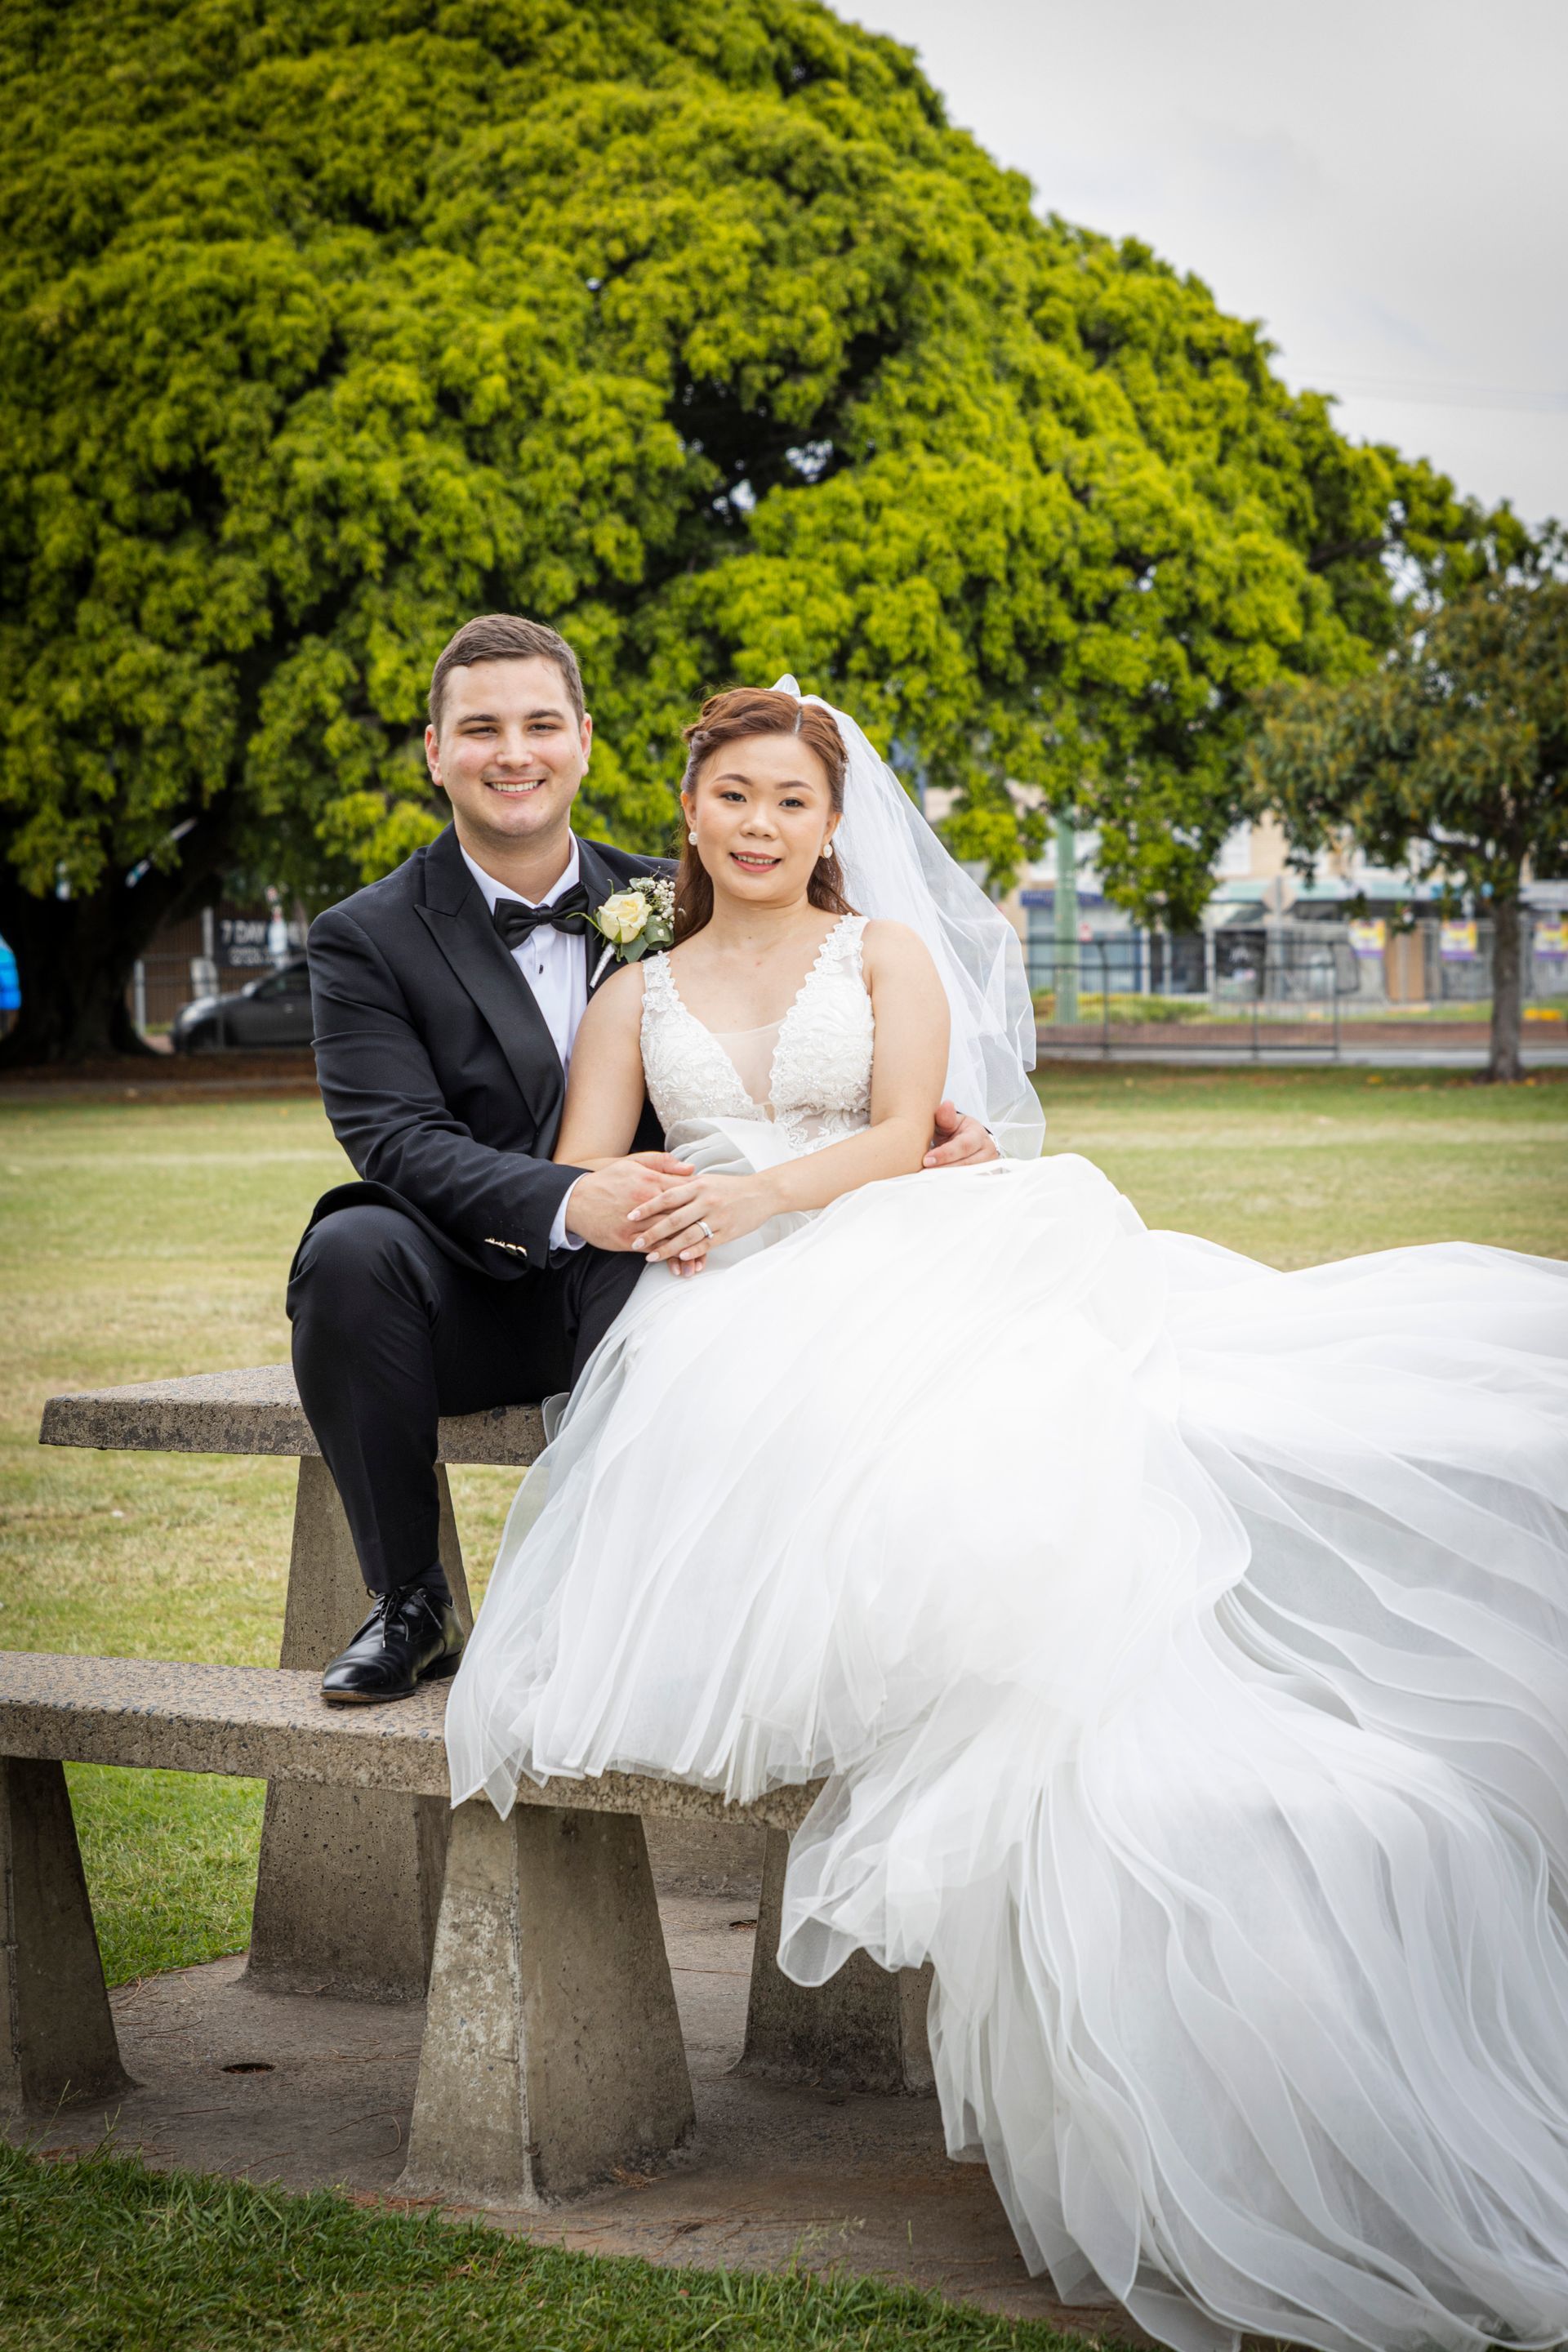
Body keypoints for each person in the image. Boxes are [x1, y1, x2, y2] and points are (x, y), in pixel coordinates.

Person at [448, 679, 1568, 2352]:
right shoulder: (630, 993)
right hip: (720, 1309)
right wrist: (659, 1210)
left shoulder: (883, 957)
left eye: (790, 802)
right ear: (685, 813)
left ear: (834, 826)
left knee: (1087, 1437)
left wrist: (762, 1188)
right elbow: (584, 1175)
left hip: (899, 1238)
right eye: (731, 797)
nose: (759, 825)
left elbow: (906, 1133)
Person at [287, 616, 997, 1704]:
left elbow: (812, 1035)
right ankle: (411, 1601)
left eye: (538, 725)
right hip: (483, 1275)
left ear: (583, 739)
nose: (512, 753)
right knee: (346, 1247)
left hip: (672, 1265)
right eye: (479, 729)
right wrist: (575, 1198)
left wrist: (931, 1131)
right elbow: (397, 1142)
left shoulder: (695, 885)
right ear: (436, 751)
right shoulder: (364, 936)